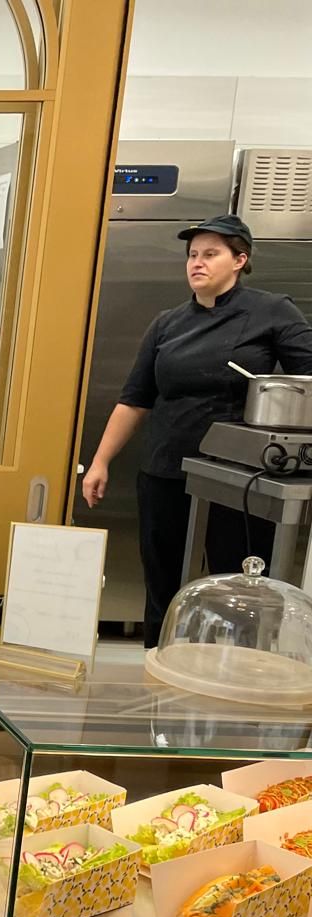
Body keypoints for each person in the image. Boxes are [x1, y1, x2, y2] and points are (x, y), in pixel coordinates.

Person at [82, 215, 312, 645]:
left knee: (238, 587)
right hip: (166, 471)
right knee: (163, 584)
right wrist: (100, 462)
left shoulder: (272, 311)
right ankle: (159, 664)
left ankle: (233, 676)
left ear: (240, 260)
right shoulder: (166, 324)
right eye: (192, 255)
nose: (197, 263)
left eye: (211, 254)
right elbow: (135, 399)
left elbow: (309, 379)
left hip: (240, 478)